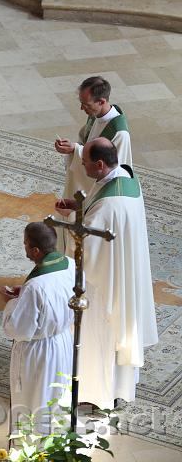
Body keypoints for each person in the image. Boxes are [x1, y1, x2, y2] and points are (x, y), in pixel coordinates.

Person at [54, 137, 158, 409]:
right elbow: (101, 211)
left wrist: (65, 221)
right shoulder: (125, 177)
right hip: (123, 271)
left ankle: (96, 393)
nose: (83, 167)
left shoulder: (109, 205)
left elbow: (86, 242)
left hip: (104, 283)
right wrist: (79, 207)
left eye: (85, 162)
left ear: (100, 164)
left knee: (97, 334)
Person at [0, 222, 74, 433]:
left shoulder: (35, 286)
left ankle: (32, 450)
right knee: (56, 399)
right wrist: (24, 294)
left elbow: (19, 329)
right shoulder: (70, 264)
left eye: (25, 244)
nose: (24, 248)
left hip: (38, 353)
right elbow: (58, 293)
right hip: (62, 342)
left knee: (34, 399)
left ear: (36, 250)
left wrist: (10, 302)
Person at [55, 76, 131, 200]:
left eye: (86, 105)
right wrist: (71, 148)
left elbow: (112, 171)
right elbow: (84, 140)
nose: (82, 108)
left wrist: (75, 149)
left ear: (101, 101)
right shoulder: (95, 115)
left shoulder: (119, 133)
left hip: (103, 194)